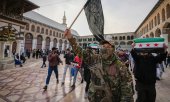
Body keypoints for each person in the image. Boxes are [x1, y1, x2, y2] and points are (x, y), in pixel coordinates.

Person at [64, 29, 134, 102]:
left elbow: (127, 93)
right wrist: (70, 38)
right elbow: (80, 52)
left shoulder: (120, 66)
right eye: (103, 46)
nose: (105, 48)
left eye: (108, 46)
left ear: (113, 48)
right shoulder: (95, 59)